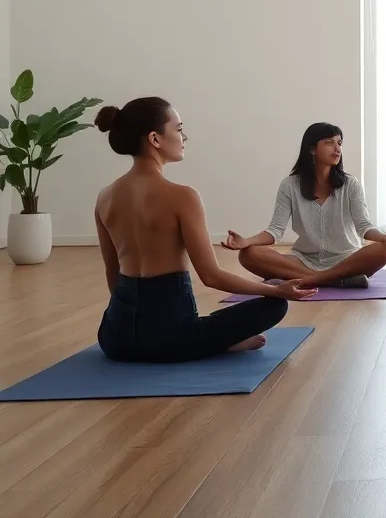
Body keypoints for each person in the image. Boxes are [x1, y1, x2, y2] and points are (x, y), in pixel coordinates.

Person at [93, 98, 313, 363]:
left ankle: (205, 338)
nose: (184, 136)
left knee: (183, 325)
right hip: (172, 340)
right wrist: (278, 291)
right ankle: (217, 342)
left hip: (114, 339)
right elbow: (212, 276)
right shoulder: (183, 196)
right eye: (178, 129)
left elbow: (112, 275)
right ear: (155, 139)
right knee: (275, 305)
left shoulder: (105, 197)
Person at [223, 122, 386, 288]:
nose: (337, 148)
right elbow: (275, 231)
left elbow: (364, 226)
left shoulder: (351, 184)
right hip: (303, 260)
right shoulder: (289, 185)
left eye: (339, 143)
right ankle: (332, 280)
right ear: (312, 149)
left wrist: (385, 238)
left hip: (346, 259)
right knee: (248, 254)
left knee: (384, 251)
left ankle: (309, 280)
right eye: (329, 142)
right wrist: (246, 242)